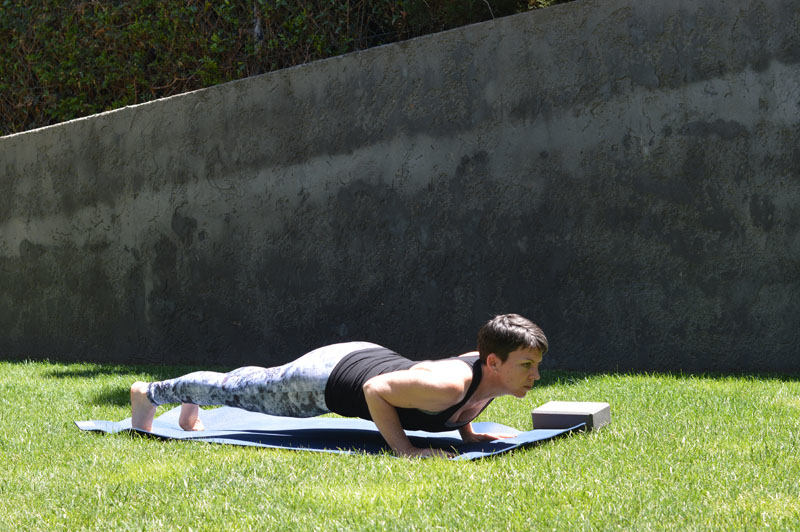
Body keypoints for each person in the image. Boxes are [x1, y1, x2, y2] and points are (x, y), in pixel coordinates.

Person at [130, 313, 547, 458]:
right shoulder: (449, 386)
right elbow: (375, 390)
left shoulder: (485, 374)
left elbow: (461, 394)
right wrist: (405, 450)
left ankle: (191, 404)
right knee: (241, 390)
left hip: (363, 355)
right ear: (494, 362)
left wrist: (468, 434)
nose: (535, 375)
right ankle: (149, 393)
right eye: (527, 365)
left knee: (251, 383)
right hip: (327, 379)